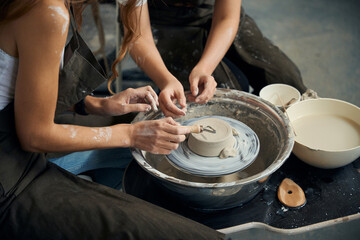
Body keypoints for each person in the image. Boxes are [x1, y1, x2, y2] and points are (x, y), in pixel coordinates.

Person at [0, 0, 225, 239]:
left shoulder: (59, 8)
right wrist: (131, 134)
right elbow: (35, 135)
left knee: (135, 126)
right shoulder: (47, 11)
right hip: (10, 175)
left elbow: (23, 91)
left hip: (17, 129)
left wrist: (99, 104)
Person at [114, 0, 309, 118]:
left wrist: (204, 68)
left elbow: (226, 18)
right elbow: (138, 37)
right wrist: (166, 80)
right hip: (162, 21)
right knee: (218, 105)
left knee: (287, 82)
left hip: (215, 14)